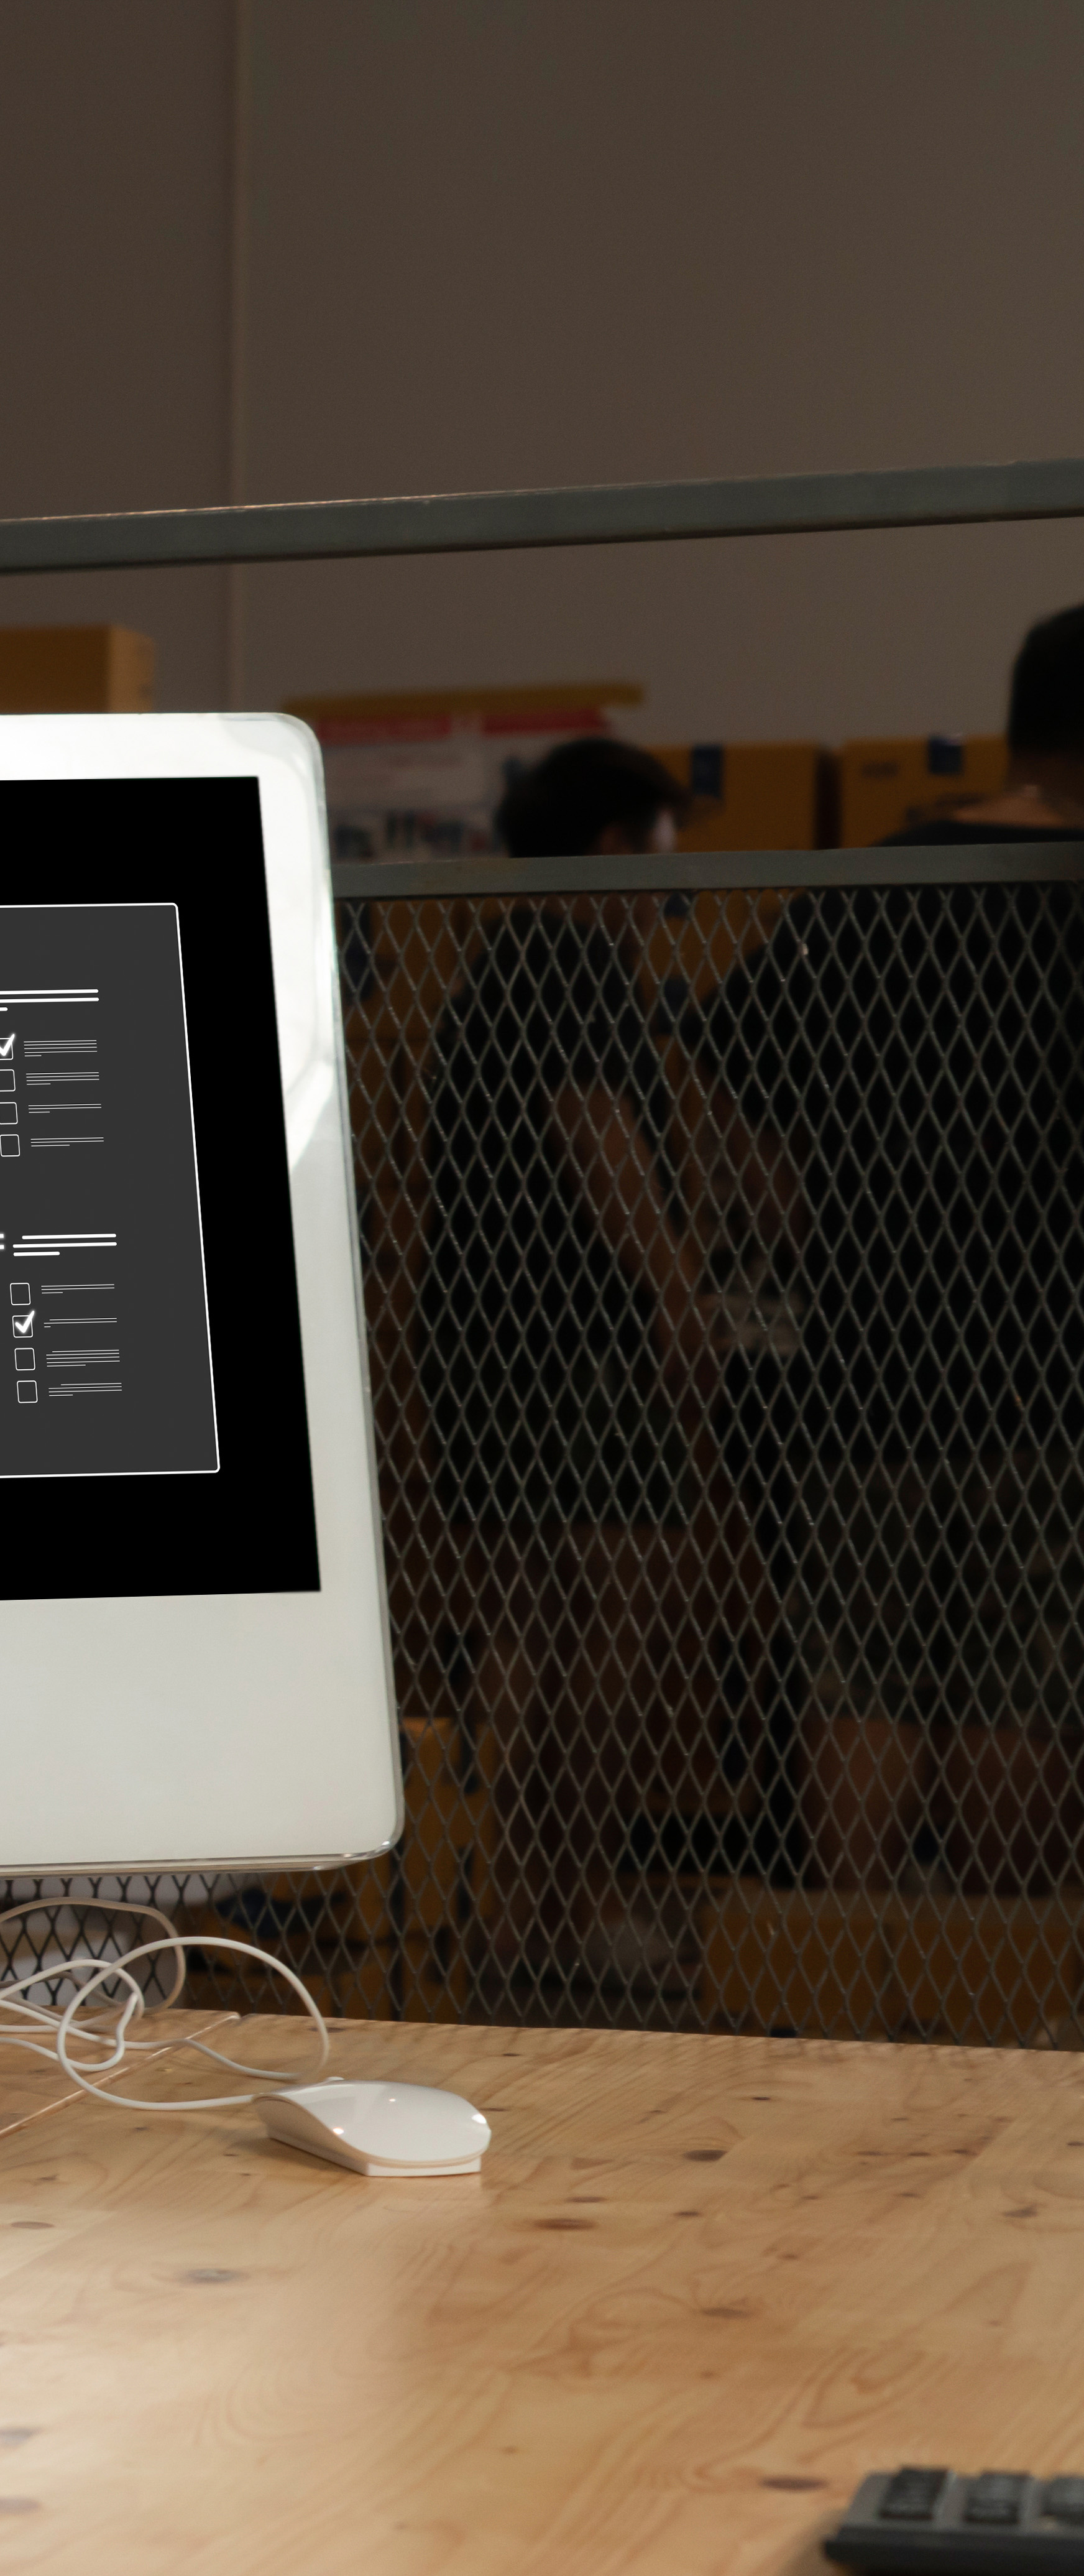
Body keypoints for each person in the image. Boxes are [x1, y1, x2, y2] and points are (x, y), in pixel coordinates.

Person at [707, 608, 1084, 1903]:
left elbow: (725, 1074)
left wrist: (809, 1221)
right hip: (1043, 1363)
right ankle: (997, 2000)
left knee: (856, 1676)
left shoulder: (879, 883)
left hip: (865, 1351)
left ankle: (846, 1986)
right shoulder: (1068, 894)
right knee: (1018, 1687)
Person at [411, 738, 722, 1990]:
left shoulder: (492, 959)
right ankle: (567, 1901)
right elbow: (593, 1128)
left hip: (479, 1345)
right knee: (613, 1617)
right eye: (657, 854)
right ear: (609, 845)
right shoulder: (573, 958)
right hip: (575, 1345)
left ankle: (517, 1910)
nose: (668, 885)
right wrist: (674, 1291)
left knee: (538, 1628)